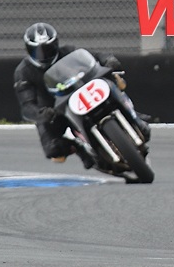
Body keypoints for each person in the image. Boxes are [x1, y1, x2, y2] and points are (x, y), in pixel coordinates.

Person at [13, 22, 150, 167]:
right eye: (38, 51)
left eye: (48, 49)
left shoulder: (68, 51)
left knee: (111, 79)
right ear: (28, 50)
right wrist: (41, 113)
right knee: (54, 150)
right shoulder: (23, 72)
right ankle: (79, 147)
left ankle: (132, 114)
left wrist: (109, 60)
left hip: (82, 91)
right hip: (55, 109)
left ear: (56, 44)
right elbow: (26, 106)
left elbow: (95, 56)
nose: (44, 55)